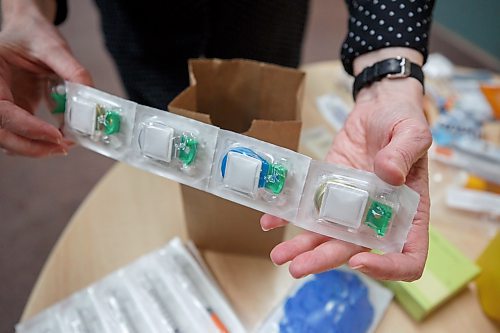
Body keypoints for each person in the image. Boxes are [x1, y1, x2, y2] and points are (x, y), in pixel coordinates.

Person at [0, 0, 433, 281]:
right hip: (144, 26)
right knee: (160, 129)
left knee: (266, 109)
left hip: (264, 18)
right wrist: (22, 7)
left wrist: (388, 77)